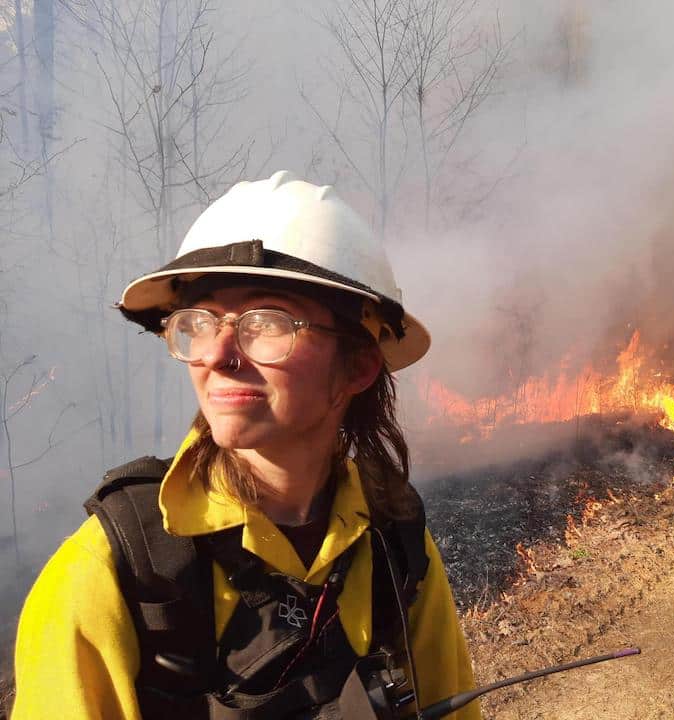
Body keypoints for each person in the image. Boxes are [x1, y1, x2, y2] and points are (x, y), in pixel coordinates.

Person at [12, 172, 479, 720]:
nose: (217, 354)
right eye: (200, 322)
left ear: (358, 365)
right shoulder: (113, 571)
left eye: (266, 322)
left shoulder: (392, 538)